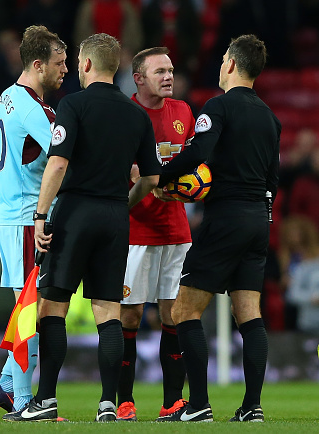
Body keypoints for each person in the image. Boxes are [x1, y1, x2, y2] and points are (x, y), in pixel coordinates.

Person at [2, 33, 161, 423]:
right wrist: (122, 204)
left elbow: (57, 164)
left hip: (73, 213)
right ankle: (108, 403)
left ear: (86, 65)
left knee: (52, 305)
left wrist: (41, 215)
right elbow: (152, 180)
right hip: (113, 217)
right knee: (107, 311)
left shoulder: (73, 104)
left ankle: (46, 400)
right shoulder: (136, 114)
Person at [155, 34, 280, 422]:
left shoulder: (219, 106)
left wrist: (158, 177)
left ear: (230, 65)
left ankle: (199, 405)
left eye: (224, 58)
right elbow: (274, 177)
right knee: (249, 313)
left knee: (183, 310)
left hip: (225, 218)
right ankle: (252, 407)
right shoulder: (270, 117)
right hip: (259, 219)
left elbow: (196, 153)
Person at [0, 25, 68, 413]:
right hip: (25, 220)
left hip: (10, 217)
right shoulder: (33, 109)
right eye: (59, 63)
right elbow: (63, 155)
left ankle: (6, 385)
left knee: (29, 307)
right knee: (29, 312)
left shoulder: (6, 98)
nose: (65, 70)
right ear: (38, 65)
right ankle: (22, 403)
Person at [116, 46, 195, 422]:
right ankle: (124, 400)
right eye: (159, 71)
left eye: (171, 70)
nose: (168, 77)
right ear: (138, 78)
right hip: (135, 231)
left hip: (176, 229)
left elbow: (196, 167)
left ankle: (172, 402)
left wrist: (188, 185)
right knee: (129, 318)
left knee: (173, 316)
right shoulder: (124, 115)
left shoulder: (182, 112)